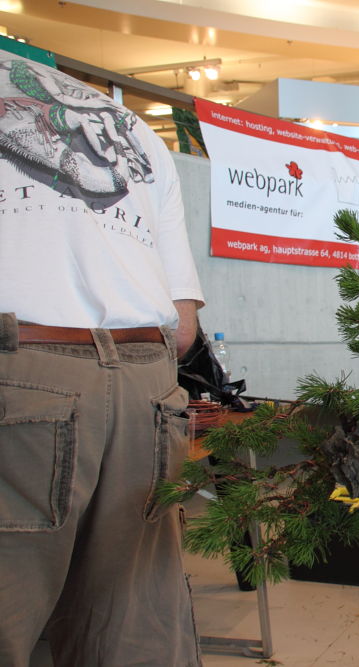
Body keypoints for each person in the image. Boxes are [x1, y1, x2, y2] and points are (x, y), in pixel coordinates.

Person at [0, 52, 204, 666]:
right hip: (148, 380)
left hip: (24, 370)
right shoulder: (131, 123)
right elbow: (184, 326)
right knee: (132, 625)